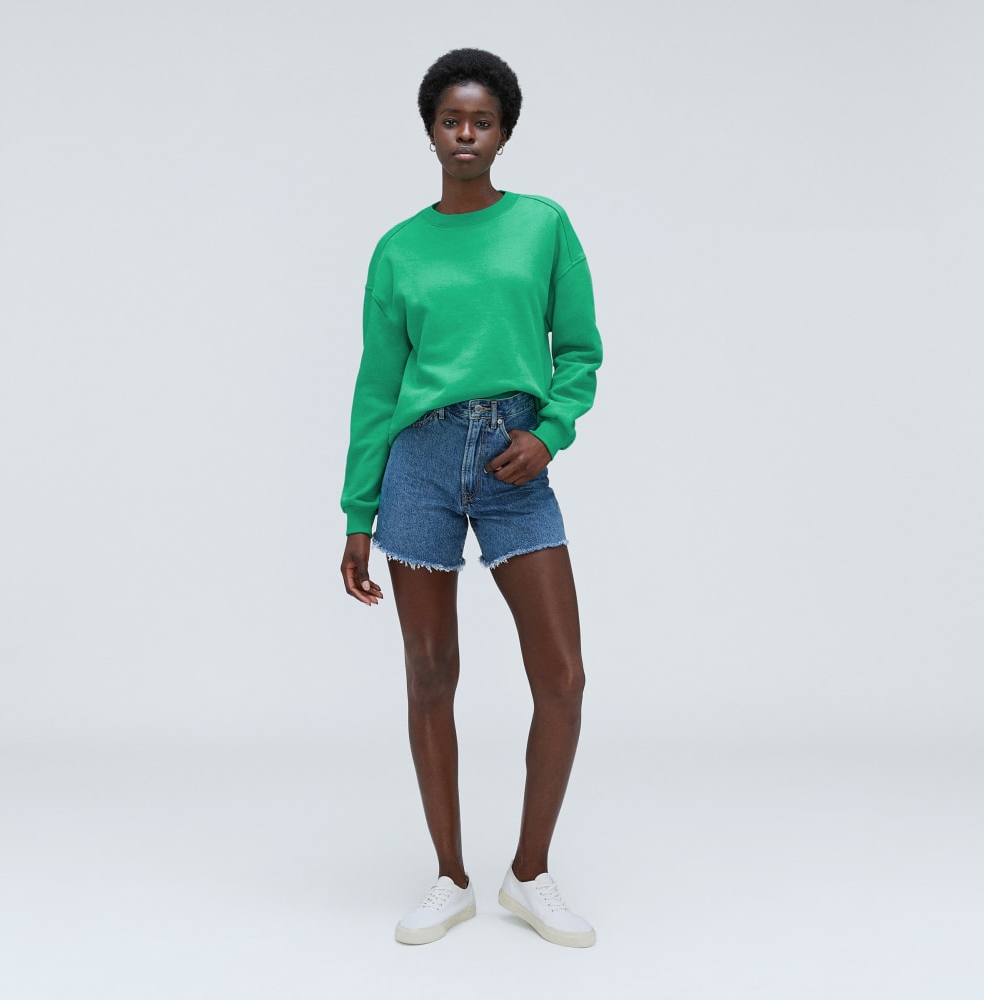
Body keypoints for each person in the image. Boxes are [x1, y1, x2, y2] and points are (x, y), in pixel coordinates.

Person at [339, 48, 602, 948]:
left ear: (504, 132)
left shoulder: (543, 226)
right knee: (429, 672)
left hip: (512, 461)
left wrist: (549, 433)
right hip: (417, 462)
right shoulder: (398, 249)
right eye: (450, 121)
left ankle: (528, 874)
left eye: (481, 122)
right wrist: (358, 514)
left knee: (562, 678)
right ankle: (450, 878)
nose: (465, 135)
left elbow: (580, 350)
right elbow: (377, 387)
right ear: (429, 131)